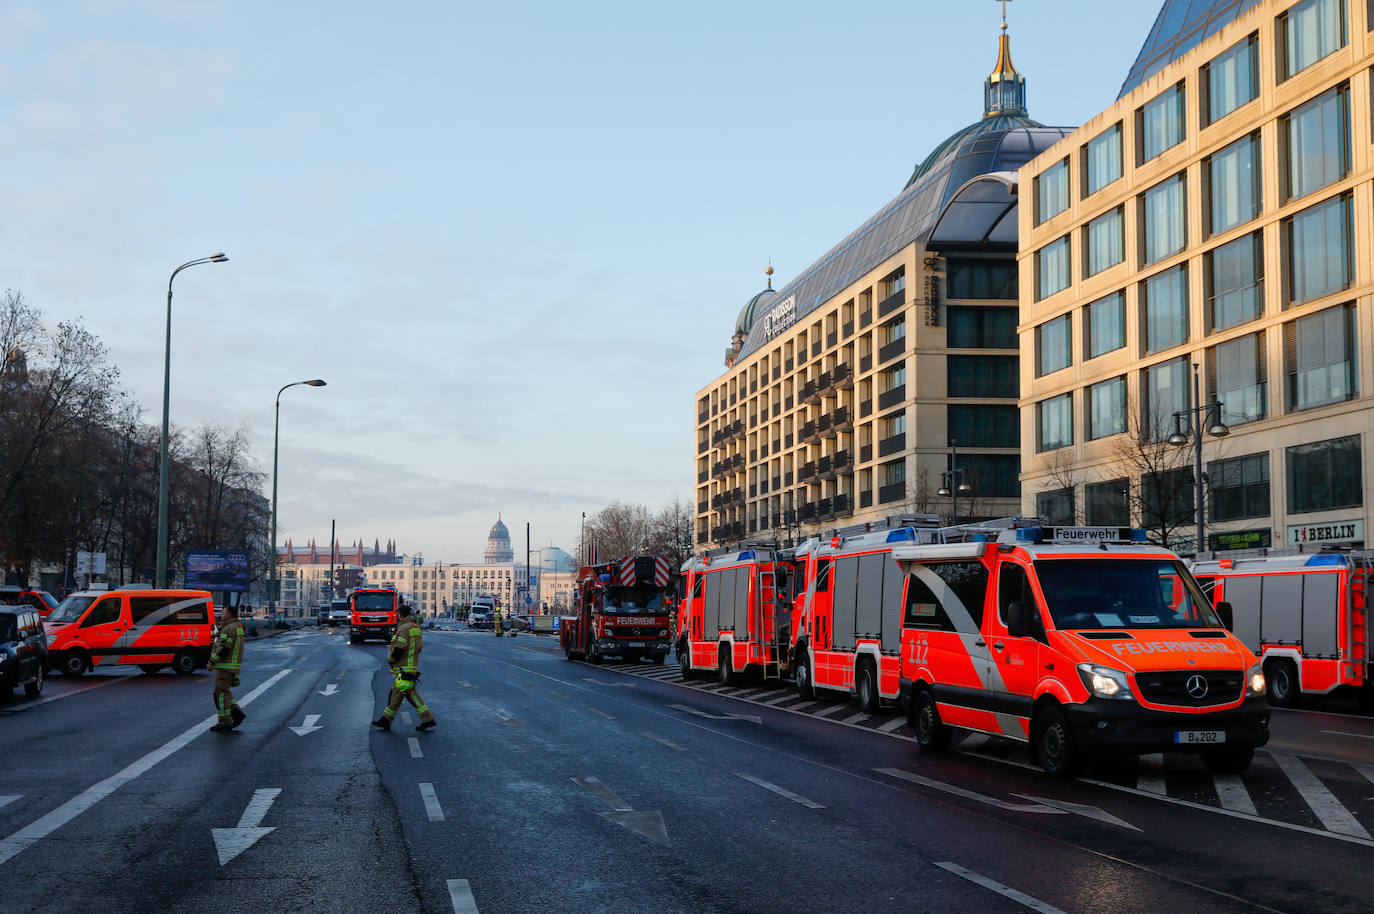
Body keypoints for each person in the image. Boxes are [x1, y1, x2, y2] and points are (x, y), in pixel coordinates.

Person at [372, 603, 436, 732]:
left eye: (397, 614)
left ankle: (427, 719)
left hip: (403, 668)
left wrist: (390, 660)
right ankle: (386, 721)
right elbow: (419, 647)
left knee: (405, 695)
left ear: (400, 615)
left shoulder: (403, 628)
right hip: (411, 667)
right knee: (398, 694)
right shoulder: (415, 627)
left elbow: (399, 648)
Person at [208, 604, 246, 733]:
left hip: (225, 667)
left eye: (223, 612)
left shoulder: (229, 628)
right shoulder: (236, 627)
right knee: (224, 692)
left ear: (229, 615)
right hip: (231, 666)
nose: (221, 615)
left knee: (220, 694)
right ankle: (237, 714)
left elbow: (224, 648)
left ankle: (225, 723)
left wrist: (211, 662)